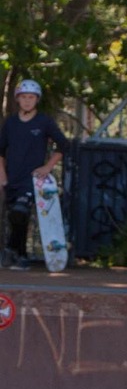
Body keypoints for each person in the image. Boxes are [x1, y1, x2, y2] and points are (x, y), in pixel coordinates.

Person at [0, 78, 67, 270]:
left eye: (31, 97)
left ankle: (17, 252)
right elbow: (1, 151)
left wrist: (47, 167)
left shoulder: (44, 122)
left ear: (37, 99)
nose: (27, 101)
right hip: (12, 177)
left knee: (20, 212)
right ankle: (17, 253)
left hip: (32, 180)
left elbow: (63, 145)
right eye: (23, 97)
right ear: (17, 99)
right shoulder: (10, 123)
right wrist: (2, 175)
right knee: (16, 217)